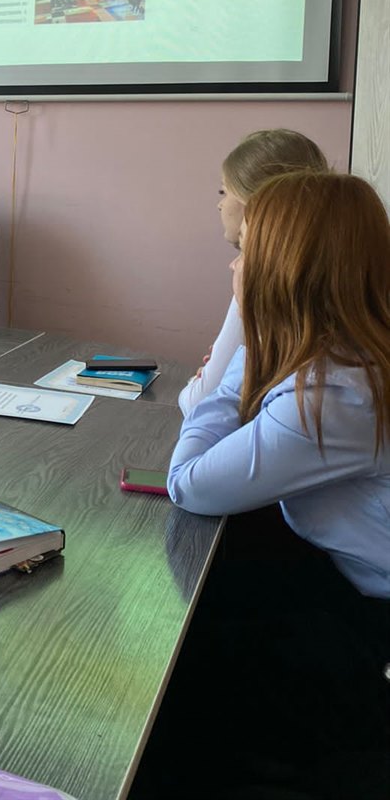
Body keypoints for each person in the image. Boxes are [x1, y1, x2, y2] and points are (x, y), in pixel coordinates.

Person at [163, 172, 390, 798]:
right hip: (337, 571)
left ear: (285, 270)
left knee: (188, 655)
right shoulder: (357, 354)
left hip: (367, 615)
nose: (235, 267)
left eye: (248, 253)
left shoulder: (333, 396)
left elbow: (188, 482)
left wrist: (249, 327)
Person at [177, 128, 328, 416]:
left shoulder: (256, 274)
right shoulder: (329, 264)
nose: (220, 204)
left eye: (224, 192)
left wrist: (206, 379)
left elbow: (197, 402)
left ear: (256, 203)